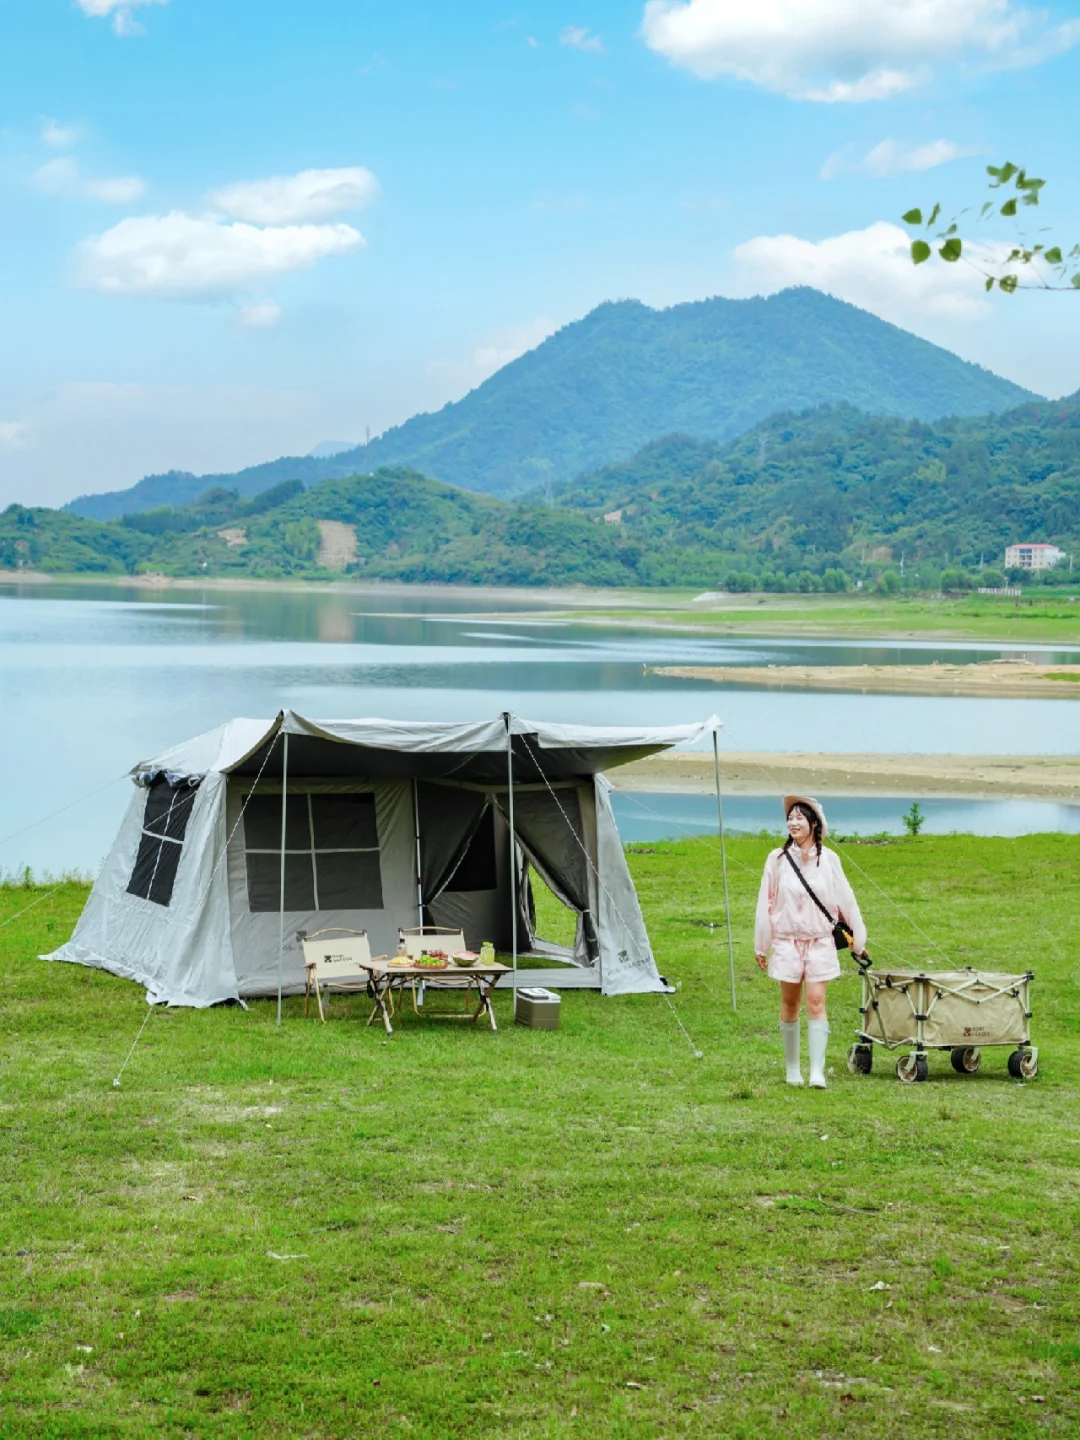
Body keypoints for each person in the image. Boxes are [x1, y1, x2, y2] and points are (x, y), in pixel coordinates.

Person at [754, 796, 867, 1089]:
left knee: (817, 1001)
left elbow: (846, 900)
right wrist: (761, 944)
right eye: (789, 818)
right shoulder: (776, 859)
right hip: (787, 942)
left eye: (799, 818)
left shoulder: (829, 860)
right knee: (790, 1003)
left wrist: (858, 940)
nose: (793, 823)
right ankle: (793, 1069)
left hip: (819, 942)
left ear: (814, 824)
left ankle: (816, 1071)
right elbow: (765, 902)